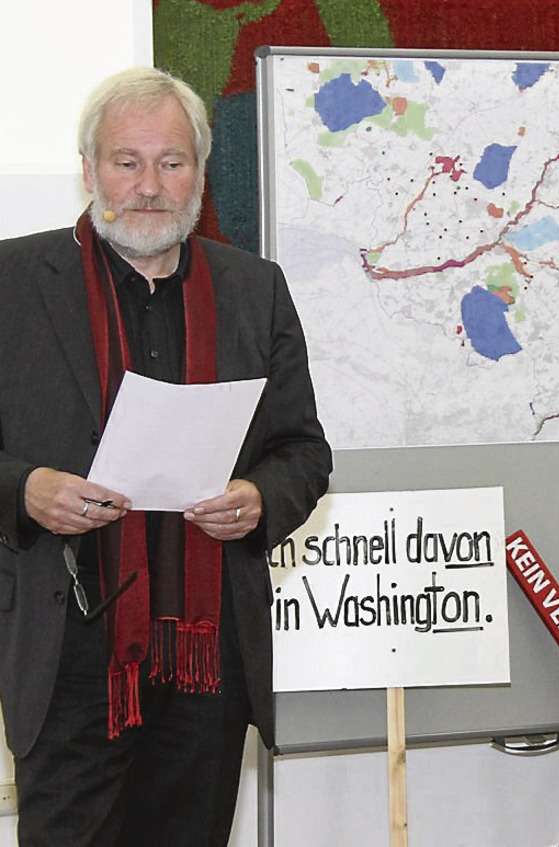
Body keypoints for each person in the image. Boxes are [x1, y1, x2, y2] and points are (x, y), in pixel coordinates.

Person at [0, 67, 331, 845]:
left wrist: (258, 497)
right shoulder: (12, 283)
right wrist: (25, 489)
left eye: (172, 162)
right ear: (89, 170)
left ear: (201, 174)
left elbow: (303, 450)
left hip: (206, 666)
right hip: (68, 659)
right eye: (127, 161)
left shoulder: (256, 290)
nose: (150, 185)